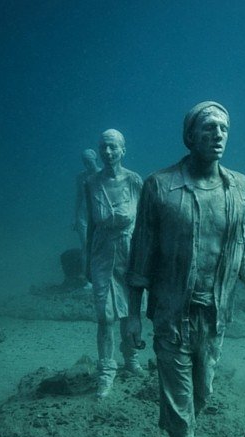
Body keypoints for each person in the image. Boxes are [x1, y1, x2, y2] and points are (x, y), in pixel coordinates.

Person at [126, 102, 245, 437]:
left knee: (203, 391)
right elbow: (140, 255)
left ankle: (179, 436)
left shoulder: (241, 188)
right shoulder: (159, 186)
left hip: (215, 313)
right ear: (190, 136)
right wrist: (132, 317)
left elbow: (244, 249)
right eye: (209, 128)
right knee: (179, 395)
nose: (218, 135)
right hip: (171, 312)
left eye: (224, 128)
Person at [85, 130, 143, 398]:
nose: (107, 153)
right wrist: (87, 260)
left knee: (131, 311)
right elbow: (90, 224)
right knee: (105, 314)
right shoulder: (91, 183)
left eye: (112, 147)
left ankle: (130, 359)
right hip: (101, 252)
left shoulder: (135, 181)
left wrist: (146, 260)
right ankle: (106, 371)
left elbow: (144, 224)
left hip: (129, 251)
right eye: (103, 147)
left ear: (123, 150)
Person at [74, 148, 98, 285]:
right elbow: (78, 196)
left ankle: (100, 276)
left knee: (99, 246)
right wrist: (75, 217)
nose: (87, 164)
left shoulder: (102, 174)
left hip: (97, 215)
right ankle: (87, 279)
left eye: (89, 161)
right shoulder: (80, 177)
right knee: (85, 246)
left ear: (95, 160)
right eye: (85, 162)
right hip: (83, 215)